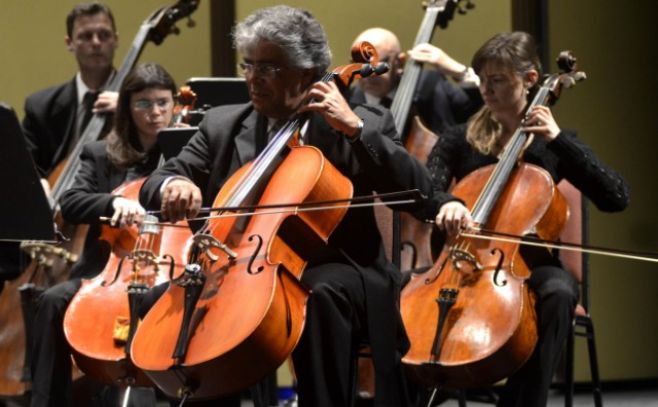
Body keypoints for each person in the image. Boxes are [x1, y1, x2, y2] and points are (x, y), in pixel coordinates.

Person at [138, 5, 434, 407]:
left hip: (340, 265)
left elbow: (420, 194)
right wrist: (175, 184)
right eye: (249, 65)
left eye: (269, 68)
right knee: (163, 301)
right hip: (241, 267)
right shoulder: (223, 124)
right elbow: (158, 179)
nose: (253, 79)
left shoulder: (363, 120)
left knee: (319, 293)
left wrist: (354, 131)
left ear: (308, 73)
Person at [425, 31, 629, 407]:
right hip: (463, 260)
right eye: (481, 78)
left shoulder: (555, 144)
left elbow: (616, 196)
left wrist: (557, 140)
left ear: (531, 80)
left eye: (497, 79)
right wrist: (446, 202)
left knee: (559, 292)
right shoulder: (458, 139)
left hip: (528, 266)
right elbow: (427, 188)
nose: (485, 89)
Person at [29, 62, 178, 407]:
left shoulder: (188, 152)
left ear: (174, 104)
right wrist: (112, 203)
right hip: (108, 272)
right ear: (127, 107)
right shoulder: (101, 154)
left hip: (170, 267)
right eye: (143, 104)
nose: (154, 113)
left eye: (162, 103)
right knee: (51, 301)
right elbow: (72, 201)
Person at [23, 2, 119, 180]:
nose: (96, 42)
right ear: (70, 43)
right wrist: (38, 184)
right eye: (86, 36)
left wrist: (129, 109)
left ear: (116, 40)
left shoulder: (137, 101)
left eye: (104, 35)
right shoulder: (39, 107)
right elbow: (24, 166)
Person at [349, 27, 482, 136]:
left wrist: (460, 72)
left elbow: (479, 112)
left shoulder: (430, 85)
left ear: (399, 62)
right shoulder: (346, 103)